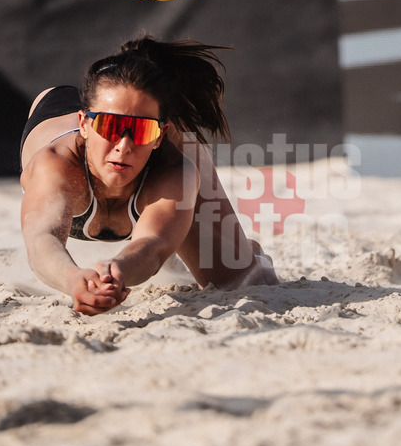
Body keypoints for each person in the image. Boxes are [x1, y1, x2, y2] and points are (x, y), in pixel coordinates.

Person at [19, 34, 278, 315]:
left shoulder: (175, 167)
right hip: (55, 108)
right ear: (84, 124)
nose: (124, 146)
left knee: (245, 279)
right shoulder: (56, 163)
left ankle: (221, 240)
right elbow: (42, 239)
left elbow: (153, 246)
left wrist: (118, 270)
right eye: (110, 127)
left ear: (159, 136)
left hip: (147, 131)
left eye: (141, 131)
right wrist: (72, 279)